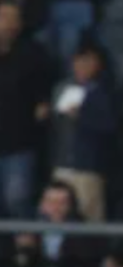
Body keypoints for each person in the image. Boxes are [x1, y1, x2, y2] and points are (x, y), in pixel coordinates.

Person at [50, 43, 116, 222]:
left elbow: (109, 126)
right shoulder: (61, 89)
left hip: (88, 167)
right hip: (62, 164)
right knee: (58, 215)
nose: (84, 66)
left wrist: (83, 116)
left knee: (89, 217)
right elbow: (55, 124)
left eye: (89, 62)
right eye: (80, 61)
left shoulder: (103, 92)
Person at [0, 0, 53, 219]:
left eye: (14, 18)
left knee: (17, 201)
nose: (9, 24)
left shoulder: (33, 54)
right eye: (4, 18)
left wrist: (43, 104)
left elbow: (44, 93)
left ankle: (25, 251)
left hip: (18, 144)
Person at [8, 180, 102, 267]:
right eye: (50, 201)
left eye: (62, 202)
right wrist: (24, 250)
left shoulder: (84, 233)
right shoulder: (27, 229)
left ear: (71, 206)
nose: (55, 207)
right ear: (41, 205)